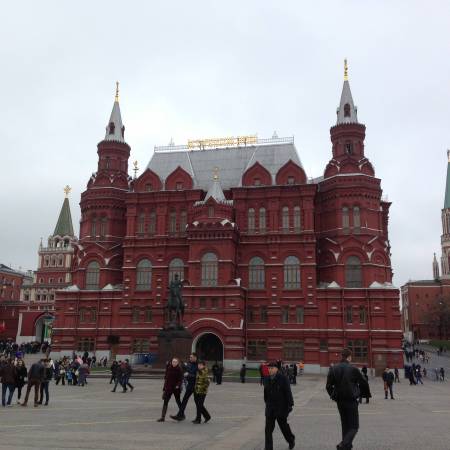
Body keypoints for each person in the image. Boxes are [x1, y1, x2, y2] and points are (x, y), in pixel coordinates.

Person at [326, 348, 368, 450]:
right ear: (349, 357)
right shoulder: (353, 369)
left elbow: (328, 386)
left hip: (340, 401)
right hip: (351, 400)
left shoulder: (333, 368)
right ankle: (343, 444)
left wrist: (334, 396)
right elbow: (363, 382)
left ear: (342, 356)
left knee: (345, 425)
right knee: (354, 426)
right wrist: (359, 393)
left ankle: (347, 446)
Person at [264, 361, 295, 450]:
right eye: (269, 368)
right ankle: (268, 448)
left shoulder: (283, 378)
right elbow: (266, 393)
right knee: (268, 430)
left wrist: (290, 405)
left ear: (277, 369)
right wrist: (267, 404)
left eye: (272, 368)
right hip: (270, 408)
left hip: (281, 408)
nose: (270, 370)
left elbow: (288, 392)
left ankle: (291, 440)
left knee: (284, 427)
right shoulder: (267, 379)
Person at [170, 353, 198, 421]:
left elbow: (197, 376)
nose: (190, 358)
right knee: (184, 400)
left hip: (196, 386)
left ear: (195, 358)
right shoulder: (189, 364)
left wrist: (188, 375)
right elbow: (186, 370)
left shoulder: (198, 365)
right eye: (190, 357)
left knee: (198, 402)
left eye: (191, 357)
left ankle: (205, 416)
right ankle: (180, 415)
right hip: (190, 385)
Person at [157, 358, 183, 422]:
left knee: (178, 401)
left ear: (178, 363)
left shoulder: (179, 369)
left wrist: (178, 385)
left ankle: (182, 414)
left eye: (175, 362)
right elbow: (166, 378)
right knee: (165, 401)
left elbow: (180, 379)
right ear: (171, 362)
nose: (174, 363)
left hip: (176, 389)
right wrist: (164, 388)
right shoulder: (169, 368)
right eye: (173, 361)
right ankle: (162, 417)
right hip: (168, 388)